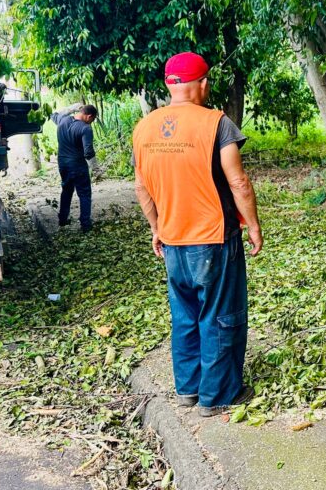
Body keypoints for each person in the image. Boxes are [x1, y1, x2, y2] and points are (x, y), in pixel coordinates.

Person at [133, 52, 262, 417]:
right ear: (203, 84)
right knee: (220, 314)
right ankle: (217, 395)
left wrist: (156, 228)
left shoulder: (144, 128)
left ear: (169, 85)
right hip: (213, 238)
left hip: (173, 238)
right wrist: (253, 225)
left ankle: (188, 389)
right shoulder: (217, 123)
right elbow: (238, 181)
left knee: (185, 315)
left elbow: (141, 187)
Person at [51, 103, 99, 232]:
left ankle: (62, 219)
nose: (91, 123)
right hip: (78, 165)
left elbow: (53, 114)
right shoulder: (85, 129)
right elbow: (88, 152)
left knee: (66, 190)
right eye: (92, 120)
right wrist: (96, 169)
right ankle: (85, 224)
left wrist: (72, 107)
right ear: (89, 116)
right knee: (84, 193)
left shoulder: (63, 120)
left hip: (63, 163)